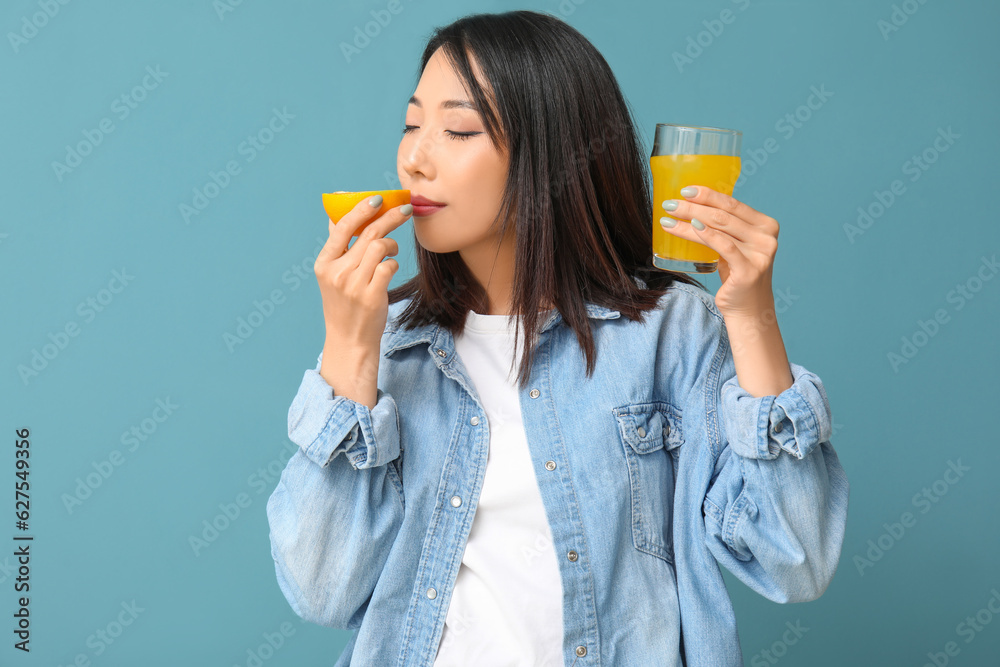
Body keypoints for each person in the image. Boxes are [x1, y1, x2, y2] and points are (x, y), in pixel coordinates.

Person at [266, 10, 849, 667]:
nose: (414, 158)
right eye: (410, 123)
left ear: (550, 157)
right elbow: (319, 587)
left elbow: (796, 561)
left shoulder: (671, 331)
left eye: (457, 129)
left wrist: (753, 319)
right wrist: (348, 349)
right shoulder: (390, 340)